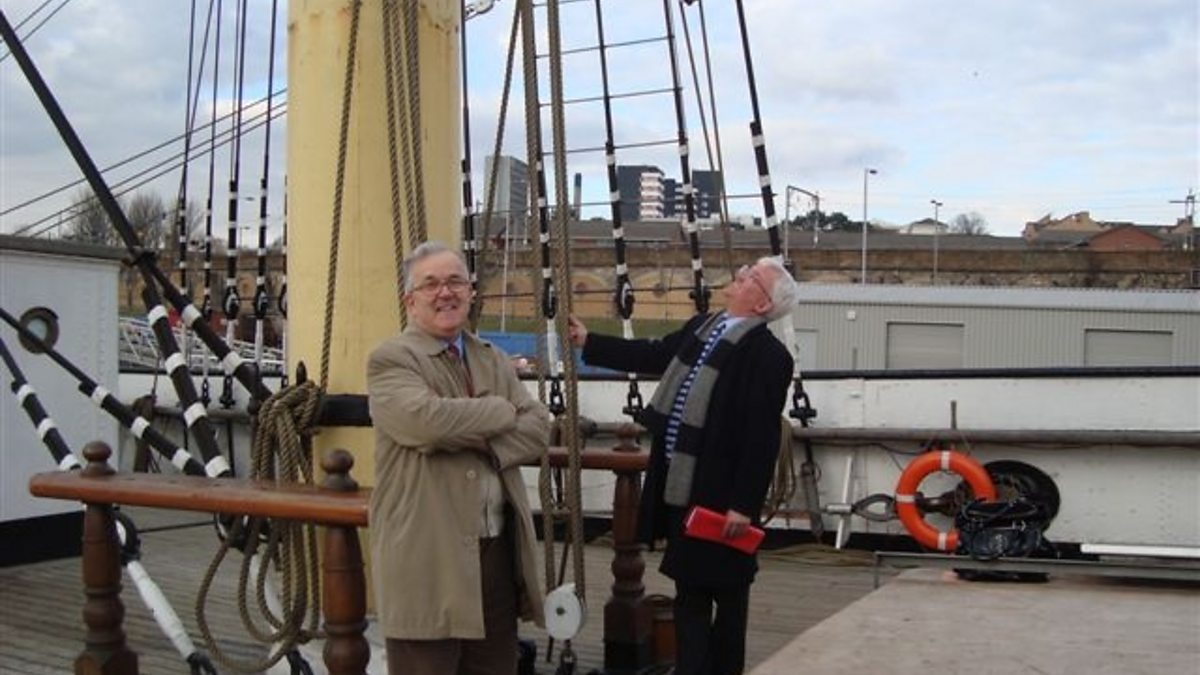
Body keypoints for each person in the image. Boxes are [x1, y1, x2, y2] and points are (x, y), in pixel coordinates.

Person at [567, 257, 798, 675]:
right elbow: (656, 354)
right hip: (682, 486)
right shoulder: (703, 328)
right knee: (689, 594)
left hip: (722, 496)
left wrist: (743, 506)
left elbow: (760, 437)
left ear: (763, 304)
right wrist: (589, 342)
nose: (740, 275)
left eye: (751, 277)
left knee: (729, 598)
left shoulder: (768, 356)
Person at [367, 241, 550, 675]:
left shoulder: (492, 359)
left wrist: (479, 439)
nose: (444, 292)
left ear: (470, 292)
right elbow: (425, 423)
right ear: (410, 301)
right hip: (428, 556)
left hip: (496, 556)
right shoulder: (391, 359)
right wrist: (501, 412)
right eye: (430, 284)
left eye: (454, 282)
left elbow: (539, 427)